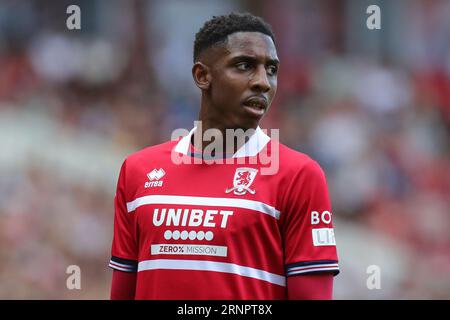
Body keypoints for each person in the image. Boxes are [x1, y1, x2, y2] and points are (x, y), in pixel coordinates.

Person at [109, 12, 339, 300]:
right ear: (202, 76)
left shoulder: (298, 175)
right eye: (244, 66)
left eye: (271, 69)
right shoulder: (138, 171)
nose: (263, 82)